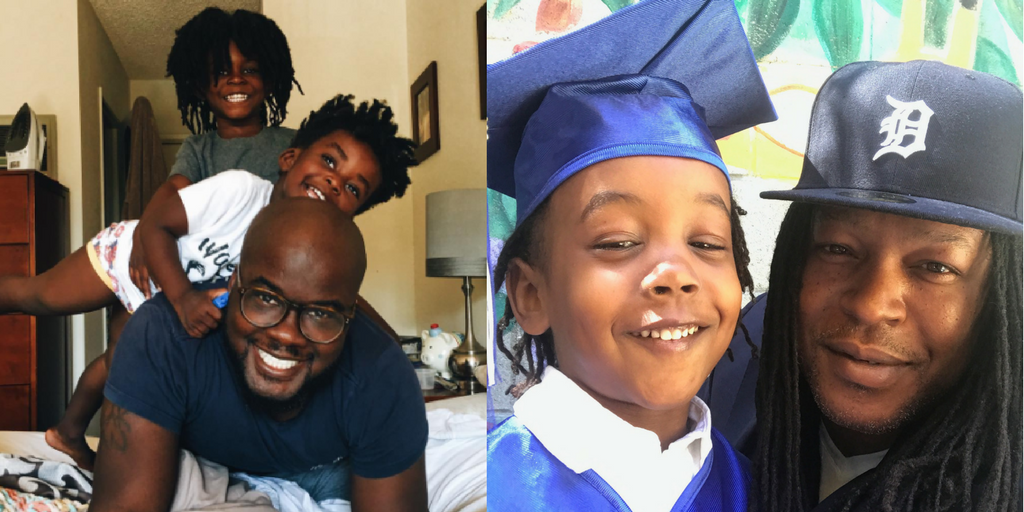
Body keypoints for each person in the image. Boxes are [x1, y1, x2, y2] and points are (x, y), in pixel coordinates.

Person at [0, 94, 414, 469]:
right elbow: (157, 224)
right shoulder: (239, 190)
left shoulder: (310, 259)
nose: (334, 182)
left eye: (353, 188)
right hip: (134, 256)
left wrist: (392, 348)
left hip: (163, 304)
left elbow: (342, 302)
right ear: (289, 158)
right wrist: (181, 297)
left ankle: (68, 434)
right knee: (38, 296)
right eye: (329, 161)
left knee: (119, 362)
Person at [485, 0, 777, 510]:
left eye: (707, 243)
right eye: (618, 243)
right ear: (531, 294)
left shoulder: (756, 492)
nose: (675, 274)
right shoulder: (491, 485)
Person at [703, 60, 1022, 511]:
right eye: (838, 249)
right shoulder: (734, 360)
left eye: (935, 265)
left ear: (999, 295)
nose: (872, 305)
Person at [89, 198, 428, 511]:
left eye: (322, 313)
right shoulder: (163, 337)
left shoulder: (381, 374)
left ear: (351, 316)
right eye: (265, 298)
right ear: (234, 282)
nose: (287, 333)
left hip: (326, 474)